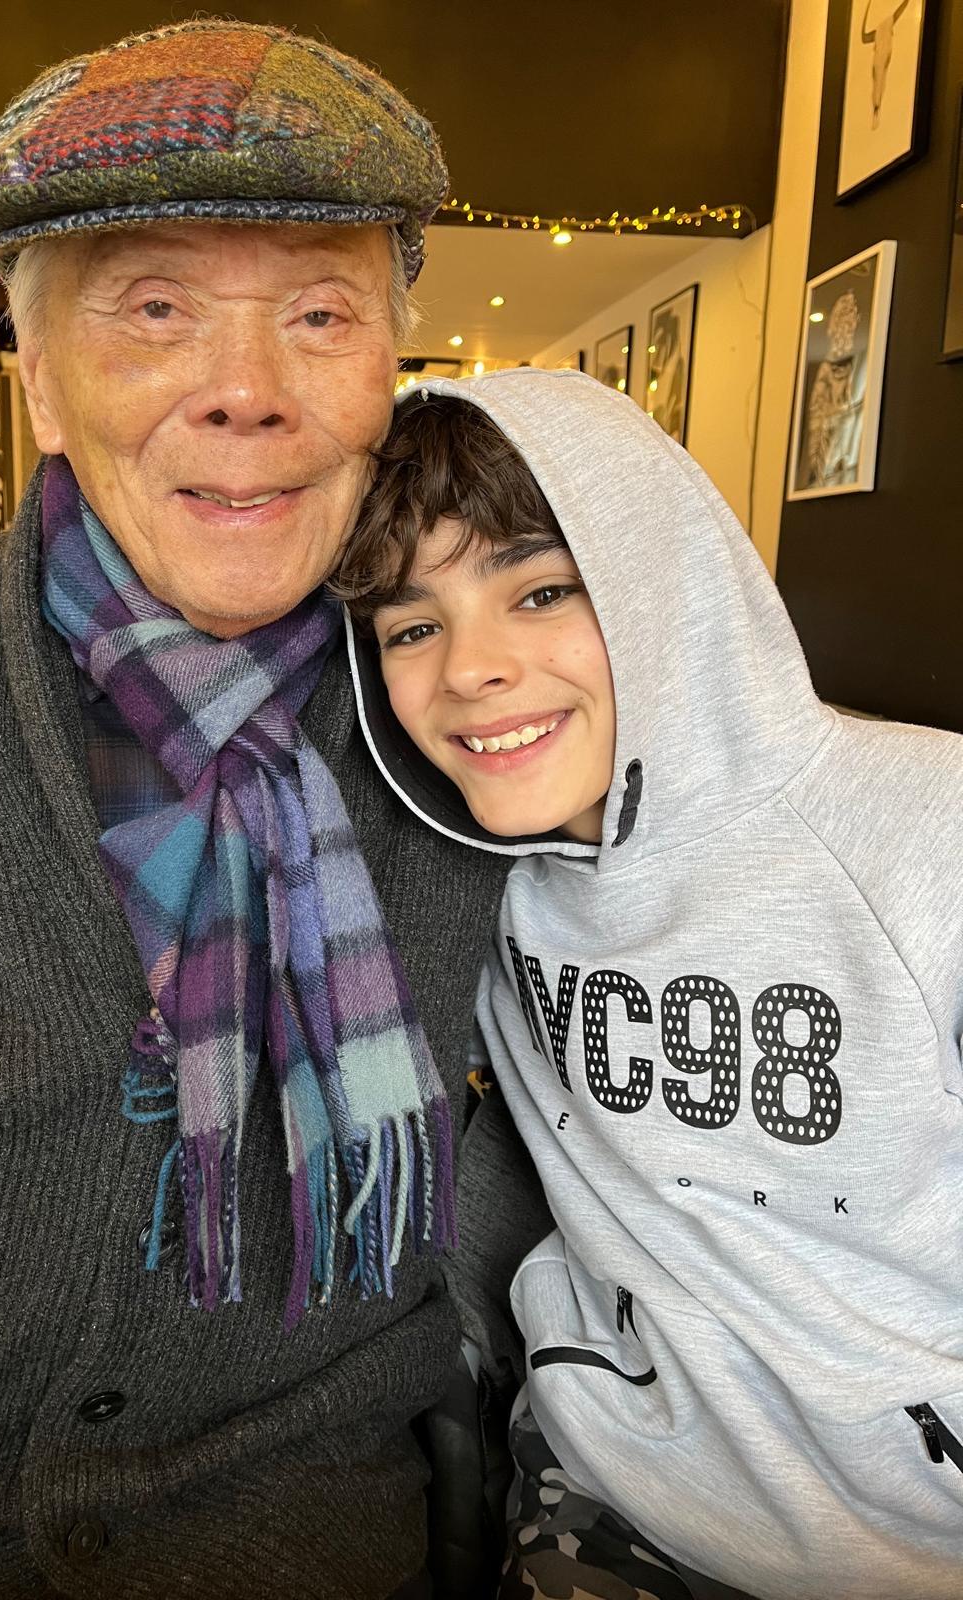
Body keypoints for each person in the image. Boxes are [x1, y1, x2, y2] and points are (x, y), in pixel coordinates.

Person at [0, 22, 515, 1598]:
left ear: (392, 367)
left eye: (319, 312)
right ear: (37, 379)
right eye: (152, 311)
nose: (244, 394)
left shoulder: (472, 701)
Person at [336, 368, 963, 1600]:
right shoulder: (468, 880)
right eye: (413, 626)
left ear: (665, 583)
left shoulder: (927, 830)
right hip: (624, 1501)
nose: (472, 668)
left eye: (543, 590)